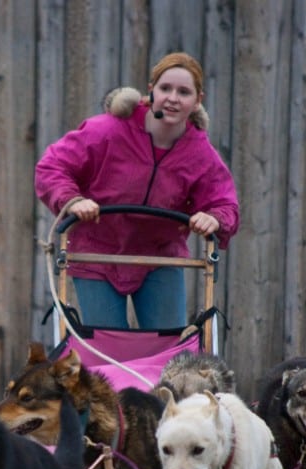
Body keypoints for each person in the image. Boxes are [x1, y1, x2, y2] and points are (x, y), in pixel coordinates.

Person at [35, 52, 239, 330]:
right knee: (107, 349)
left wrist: (214, 218)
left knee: (168, 348)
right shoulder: (107, 130)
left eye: (184, 92)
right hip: (97, 254)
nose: (173, 98)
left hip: (159, 258)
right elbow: (51, 167)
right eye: (165, 88)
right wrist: (73, 200)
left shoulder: (200, 153)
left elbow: (225, 204)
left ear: (197, 101)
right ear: (151, 90)